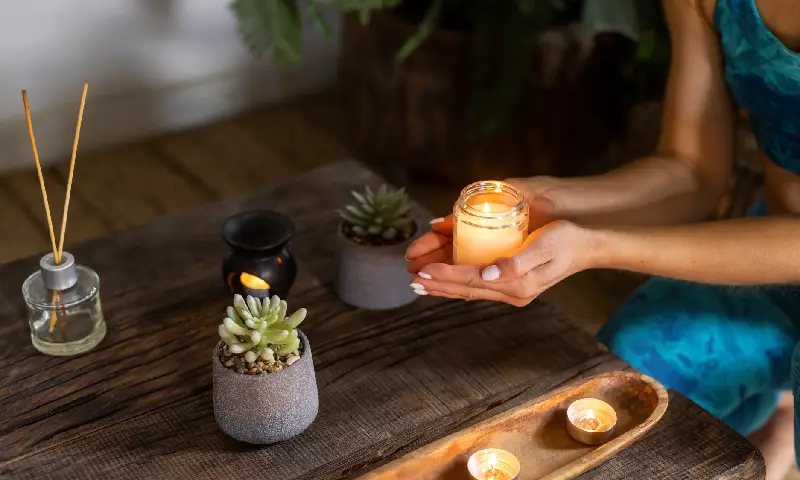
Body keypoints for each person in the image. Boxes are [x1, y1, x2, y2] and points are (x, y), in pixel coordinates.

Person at [405, 0, 800, 478]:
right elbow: (692, 169)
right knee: (625, 386)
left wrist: (595, 246)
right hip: (764, 259)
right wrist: (548, 202)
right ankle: (777, 412)